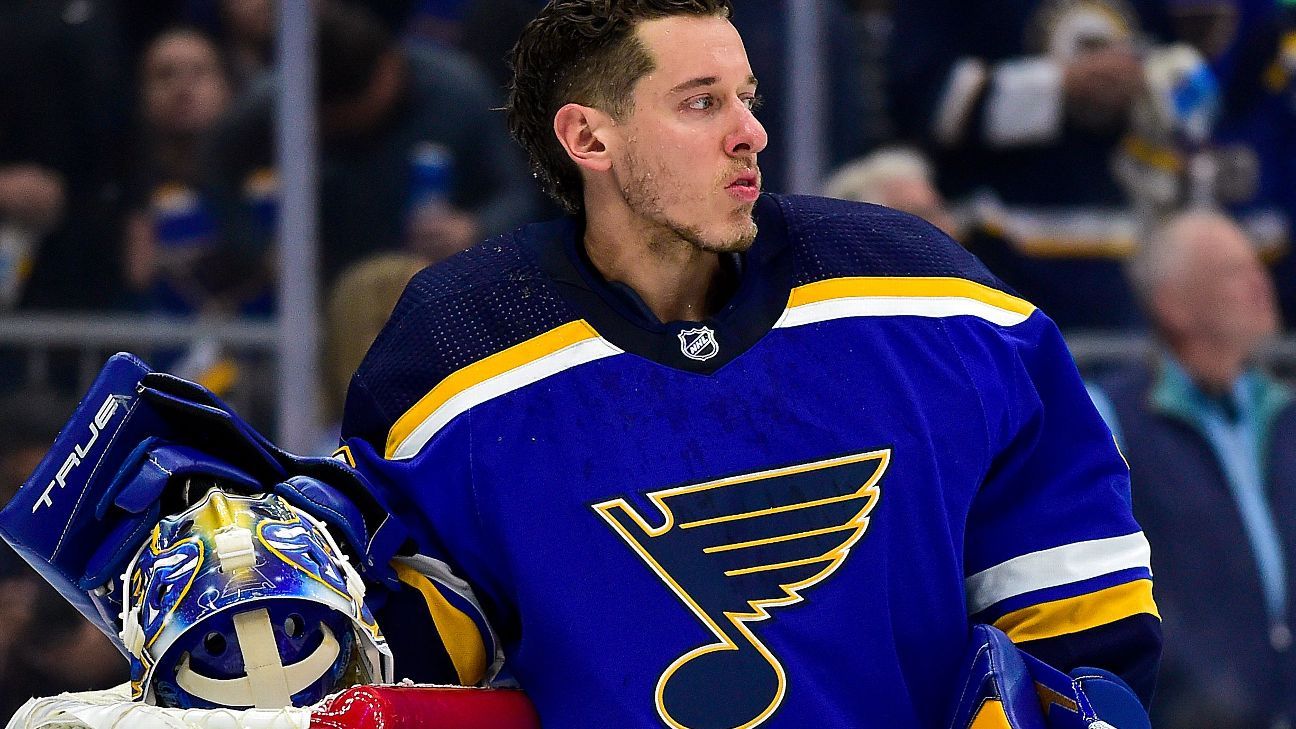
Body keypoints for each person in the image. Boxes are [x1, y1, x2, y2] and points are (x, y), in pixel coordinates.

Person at [329, 1, 1160, 725]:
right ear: (589, 136)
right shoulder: (462, 356)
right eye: (702, 104)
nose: (751, 133)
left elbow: (1079, 607)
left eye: (748, 101)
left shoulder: (925, 301)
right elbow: (405, 660)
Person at [1090, 210, 1292, 728]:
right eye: (1232, 272)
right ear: (1172, 306)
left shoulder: (1285, 412)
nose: (1259, 283)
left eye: (1258, 266)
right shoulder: (1111, 418)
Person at [201, 0, 537, 285]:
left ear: (386, 69)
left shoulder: (457, 90)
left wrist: (473, 227)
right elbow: (216, 167)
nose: (341, 127)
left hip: (436, 281)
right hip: (330, 290)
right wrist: (260, 251)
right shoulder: (285, 97)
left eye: (350, 113)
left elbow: (518, 193)